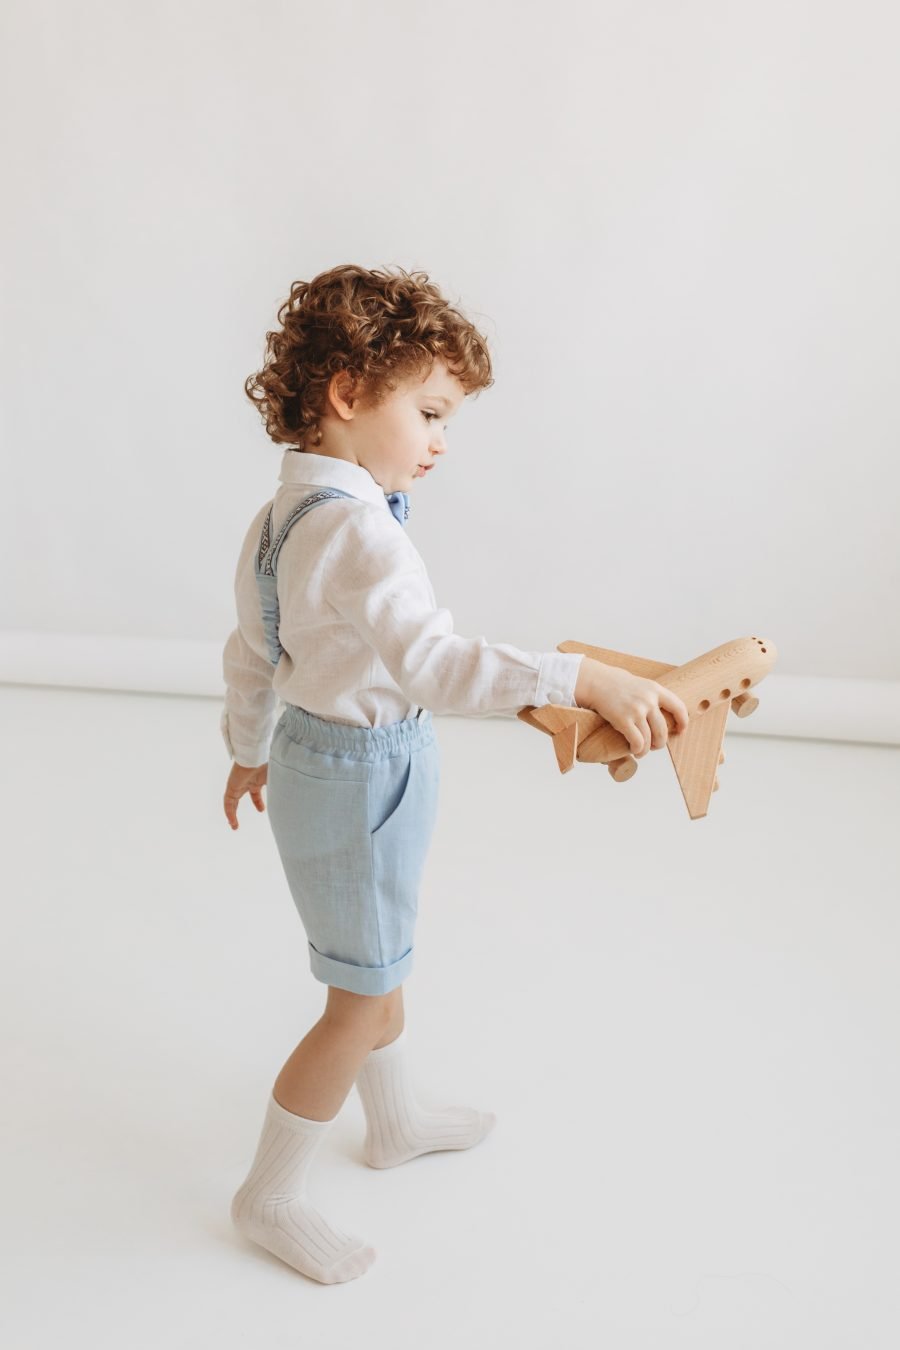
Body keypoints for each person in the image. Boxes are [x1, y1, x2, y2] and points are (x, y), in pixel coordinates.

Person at [220, 264, 690, 1284]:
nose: (439, 443)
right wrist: (580, 674)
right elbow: (435, 664)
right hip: (361, 777)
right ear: (348, 394)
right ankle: (269, 1193)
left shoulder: (277, 520)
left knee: (380, 960)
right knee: (356, 997)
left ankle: (392, 1121)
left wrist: (248, 749)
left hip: (321, 762)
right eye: (429, 413)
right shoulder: (360, 534)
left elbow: (251, 651)